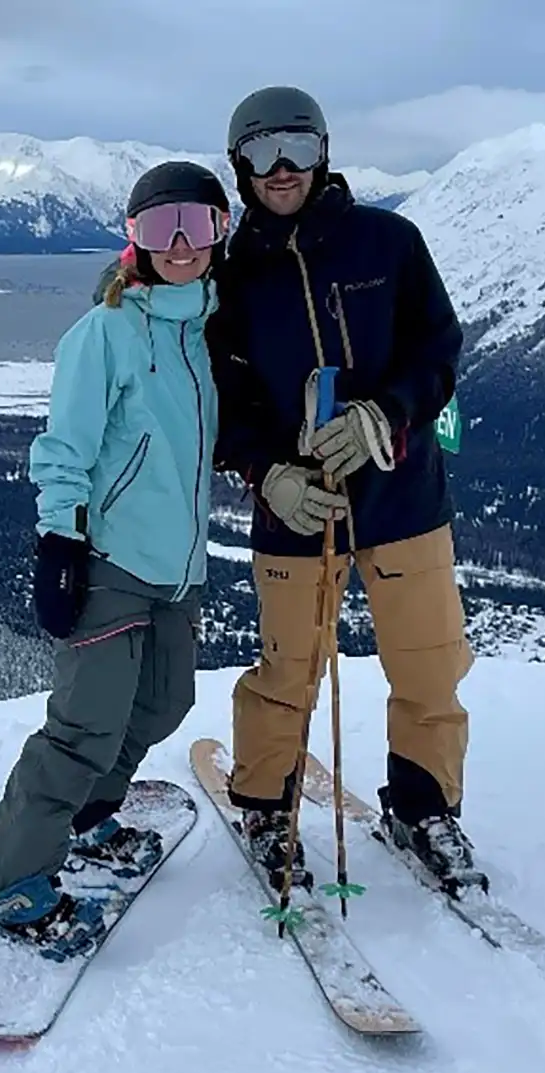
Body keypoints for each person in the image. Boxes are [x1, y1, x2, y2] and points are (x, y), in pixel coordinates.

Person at [206, 85, 485, 895]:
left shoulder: (388, 243)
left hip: (402, 496)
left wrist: (385, 415)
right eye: (260, 153)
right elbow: (222, 401)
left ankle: (424, 807)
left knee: (430, 664)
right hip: (299, 506)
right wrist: (268, 473)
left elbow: (437, 348)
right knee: (288, 666)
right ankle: (265, 802)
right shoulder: (234, 278)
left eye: (294, 146)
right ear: (240, 168)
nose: (280, 168)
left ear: (323, 150)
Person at [0, 161, 231, 953]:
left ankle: (89, 815)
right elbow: (65, 447)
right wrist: (60, 540)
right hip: (111, 559)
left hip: (179, 566)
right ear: (134, 242)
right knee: (85, 725)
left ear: (222, 234)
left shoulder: (212, 334)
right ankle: (14, 879)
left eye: (197, 226)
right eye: (160, 229)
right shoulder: (106, 334)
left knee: (162, 705)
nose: (180, 246)